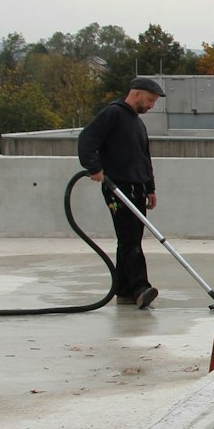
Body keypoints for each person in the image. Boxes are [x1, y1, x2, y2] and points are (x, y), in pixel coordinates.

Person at [79, 77, 165, 308]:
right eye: (149, 100)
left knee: (131, 238)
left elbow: (144, 158)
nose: (151, 106)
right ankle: (140, 287)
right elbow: (87, 139)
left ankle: (125, 288)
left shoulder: (137, 123)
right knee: (129, 239)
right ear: (136, 94)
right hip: (117, 188)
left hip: (137, 188)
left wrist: (150, 188)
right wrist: (94, 167)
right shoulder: (113, 114)